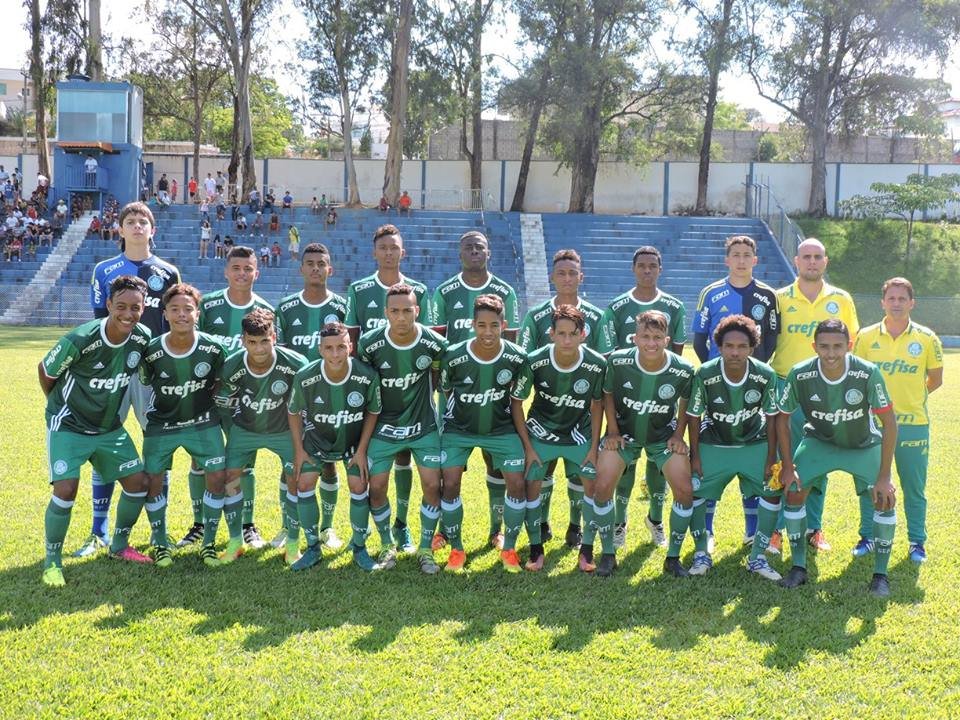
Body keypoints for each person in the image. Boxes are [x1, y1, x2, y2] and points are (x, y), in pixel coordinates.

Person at [38, 275, 155, 586]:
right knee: (66, 490)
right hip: (69, 426)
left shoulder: (142, 338)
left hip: (108, 429)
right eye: (121, 306)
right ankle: (52, 561)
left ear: (143, 308)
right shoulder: (81, 338)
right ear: (108, 305)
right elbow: (46, 371)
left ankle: (119, 545)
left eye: (135, 307)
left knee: (138, 483)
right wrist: (59, 405)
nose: (128, 314)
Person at [82, 202, 181, 558]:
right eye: (130, 221)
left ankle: (159, 531)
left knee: (158, 446)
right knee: (104, 441)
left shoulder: (168, 272)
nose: (137, 226)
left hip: (153, 372)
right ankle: (98, 530)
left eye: (143, 221)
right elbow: (98, 323)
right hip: (114, 371)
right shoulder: (104, 270)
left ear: (153, 230)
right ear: (120, 229)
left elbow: (174, 322)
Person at [776, 319, 897, 596]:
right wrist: (788, 466)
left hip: (862, 445)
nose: (831, 353)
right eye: (824, 346)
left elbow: (889, 423)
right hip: (819, 442)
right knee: (793, 491)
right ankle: (798, 567)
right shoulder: (800, 374)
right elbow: (782, 419)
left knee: (885, 498)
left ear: (849, 345)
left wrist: (885, 476)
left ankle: (880, 576)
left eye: (837, 346)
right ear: (814, 346)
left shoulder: (867, 373)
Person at [769, 238, 859, 554]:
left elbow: (852, 345)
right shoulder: (779, 298)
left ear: (825, 261)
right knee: (784, 458)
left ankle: (813, 528)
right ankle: (776, 530)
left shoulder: (841, 299)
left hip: (827, 389)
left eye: (817, 257)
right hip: (786, 386)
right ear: (796, 261)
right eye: (806, 256)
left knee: (818, 456)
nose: (811, 262)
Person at [692, 235, 780, 549]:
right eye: (736, 254)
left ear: (755, 260)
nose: (741, 260)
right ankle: (707, 532)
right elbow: (699, 338)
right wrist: (714, 370)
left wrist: (754, 373)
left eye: (747, 255)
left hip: (753, 386)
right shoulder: (710, 293)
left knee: (751, 451)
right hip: (717, 385)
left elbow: (771, 338)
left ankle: (752, 531)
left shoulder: (768, 295)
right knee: (712, 457)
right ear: (726, 259)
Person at [591, 310, 695, 577]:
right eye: (645, 337)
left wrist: (678, 435)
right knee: (602, 486)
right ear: (635, 338)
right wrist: (612, 430)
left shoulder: (683, 369)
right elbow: (607, 393)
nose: (651, 343)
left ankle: (673, 558)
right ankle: (608, 554)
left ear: (667, 340)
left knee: (685, 490)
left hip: (663, 438)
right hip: (625, 436)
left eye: (658, 337)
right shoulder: (618, 362)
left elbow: (686, 401)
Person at [597, 245, 687, 553]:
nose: (647, 270)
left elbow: (677, 359)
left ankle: (655, 520)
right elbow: (610, 362)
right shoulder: (617, 306)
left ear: (660, 269)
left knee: (659, 464)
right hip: (627, 404)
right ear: (633, 269)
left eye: (653, 266)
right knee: (625, 464)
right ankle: (619, 523)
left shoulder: (675, 306)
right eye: (642, 266)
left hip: (661, 401)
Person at [345, 226, 430, 543]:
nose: (389, 252)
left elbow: (427, 341)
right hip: (373, 395)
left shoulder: (418, 290)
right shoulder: (359, 289)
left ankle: (401, 523)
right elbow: (352, 341)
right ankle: (368, 532)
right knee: (374, 465)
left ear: (402, 252)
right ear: (374, 252)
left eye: (394, 247)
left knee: (405, 457)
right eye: (383, 247)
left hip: (410, 393)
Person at [357, 284, 448, 572]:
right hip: (383, 427)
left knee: (432, 485)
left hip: (423, 426)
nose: (401, 317)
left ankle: (425, 549)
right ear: (386, 312)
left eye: (407, 310)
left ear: (417, 311)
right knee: (376, 488)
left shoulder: (434, 343)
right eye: (394, 311)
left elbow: (437, 376)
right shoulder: (369, 344)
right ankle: (387, 544)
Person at [139, 283, 229, 568]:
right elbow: (145, 381)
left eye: (188, 309)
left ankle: (208, 543)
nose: (181, 314)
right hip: (162, 424)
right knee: (152, 480)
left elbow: (221, 381)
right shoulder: (152, 350)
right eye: (175, 309)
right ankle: (160, 542)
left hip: (203, 422)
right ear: (165, 313)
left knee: (217, 477)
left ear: (197, 314)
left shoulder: (213, 348)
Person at [852, 277, 942, 564]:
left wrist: (910, 398)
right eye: (891, 298)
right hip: (872, 425)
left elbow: (935, 379)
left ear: (912, 303)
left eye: (902, 298)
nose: (896, 303)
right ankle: (867, 537)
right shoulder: (866, 337)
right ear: (882, 302)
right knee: (869, 484)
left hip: (913, 424)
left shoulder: (927, 338)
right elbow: (856, 377)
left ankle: (917, 542)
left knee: (913, 487)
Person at [517, 248, 604, 547]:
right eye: (561, 273)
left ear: (581, 277)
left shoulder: (596, 316)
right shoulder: (536, 316)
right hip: (546, 411)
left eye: (572, 273)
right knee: (545, 467)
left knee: (579, 474)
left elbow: (602, 365)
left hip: (581, 412)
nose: (567, 278)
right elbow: (526, 362)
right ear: (552, 277)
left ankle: (575, 526)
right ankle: (541, 523)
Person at [686, 315, 782, 580]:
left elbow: (772, 418)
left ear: (752, 348)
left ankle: (758, 556)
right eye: (729, 346)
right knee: (696, 491)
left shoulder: (765, 374)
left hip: (754, 441)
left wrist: (771, 457)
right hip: (714, 441)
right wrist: (695, 456)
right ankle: (702, 551)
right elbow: (694, 417)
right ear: (719, 346)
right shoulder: (705, 373)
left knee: (772, 491)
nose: (735, 352)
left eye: (742, 346)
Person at [191, 246, 274, 549]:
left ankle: (247, 525)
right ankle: (198, 524)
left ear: (257, 273)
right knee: (200, 461)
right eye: (236, 268)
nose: (242, 273)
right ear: (226, 271)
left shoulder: (265, 310)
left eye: (248, 268)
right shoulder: (209, 305)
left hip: (246, 401)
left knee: (245, 463)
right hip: (209, 400)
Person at [511, 305, 605, 571]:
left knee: (593, 487)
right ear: (551, 334)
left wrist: (594, 446)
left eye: (573, 334)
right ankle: (535, 548)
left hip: (579, 433)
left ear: (583, 334)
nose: (567, 340)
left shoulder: (596, 364)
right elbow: (516, 402)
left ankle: (587, 550)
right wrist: (528, 447)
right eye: (561, 333)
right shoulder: (535, 361)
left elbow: (598, 404)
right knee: (532, 486)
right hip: (541, 432)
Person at [438, 295, 528, 573]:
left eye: (494, 325)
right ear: (473, 325)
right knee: (450, 483)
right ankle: (456, 549)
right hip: (458, 430)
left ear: (504, 325)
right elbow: (446, 391)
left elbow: (517, 401)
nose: (488, 332)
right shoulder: (454, 355)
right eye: (481, 325)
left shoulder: (517, 357)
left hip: (501, 430)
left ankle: (508, 547)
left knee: (516, 483)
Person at [287, 322, 382, 571]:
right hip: (317, 440)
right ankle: (313, 548)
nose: (336, 354)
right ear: (320, 349)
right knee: (304, 483)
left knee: (359, 485)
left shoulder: (366, 375)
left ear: (350, 346)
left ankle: (359, 547)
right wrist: (299, 451)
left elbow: (373, 411)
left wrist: (361, 451)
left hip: (353, 442)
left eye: (341, 347)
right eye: (329, 348)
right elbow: (294, 412)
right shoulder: (305, 377)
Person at [216, 308, 307, 565]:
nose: (259, 348)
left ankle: (292, 545)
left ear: (274, 337)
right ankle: (236, 541)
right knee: (230, 479)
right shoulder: (232, 366)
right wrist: (232, 434)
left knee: (296, 480)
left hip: (283, 432)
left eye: (265, 341)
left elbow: (309, 402)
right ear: (243, 340)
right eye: (252, 342)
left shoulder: (295, 364)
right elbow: (223, 404)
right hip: (244, 430)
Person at [275, 243, 349, 550]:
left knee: (329, 463)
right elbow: (279, 355)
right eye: (310, 263)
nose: (316, 268)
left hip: (333, 401)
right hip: (294, 400)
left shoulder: (343, 307)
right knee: (291, 463)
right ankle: (286, 526)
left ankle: (327, 528)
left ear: (330, 269)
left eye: (321, 263)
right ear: (301, 268)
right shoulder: (286, 307)